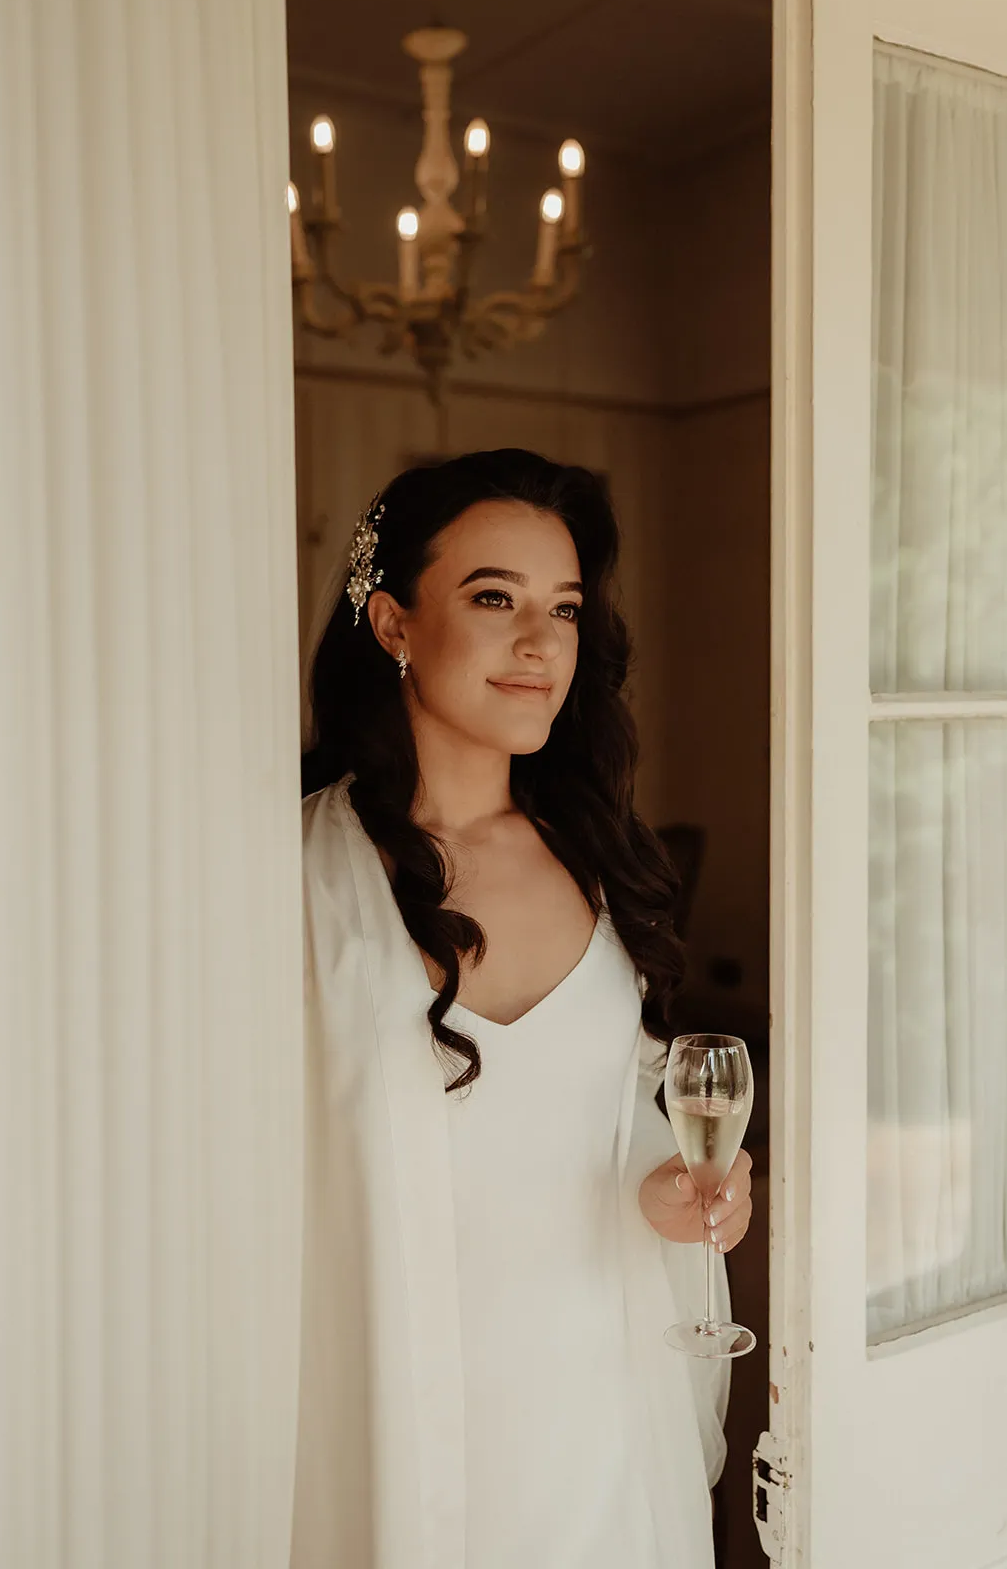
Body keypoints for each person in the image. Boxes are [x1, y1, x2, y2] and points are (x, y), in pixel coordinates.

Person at [293, 449, 753, 1569]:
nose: (541, 644)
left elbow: (621, 1122)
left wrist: (681, 1196)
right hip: (388, 1398)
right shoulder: (295, 870)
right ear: (395, 622)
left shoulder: (602, 860)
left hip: (597, 1413)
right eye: (494, 598)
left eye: (564, 608)